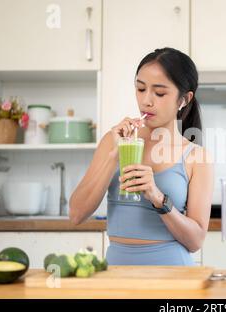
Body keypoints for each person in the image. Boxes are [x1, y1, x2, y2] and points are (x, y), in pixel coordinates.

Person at [69, 47, 214, 266]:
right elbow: (76, 214)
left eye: (159, 93)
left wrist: (158, 197)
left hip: (173, 275)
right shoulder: (113, 140)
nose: (146, 101)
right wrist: (114, 156)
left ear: (184, 99)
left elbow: (195, 241)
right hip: (117, 274)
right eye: (140, 89)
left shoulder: (196, 157)